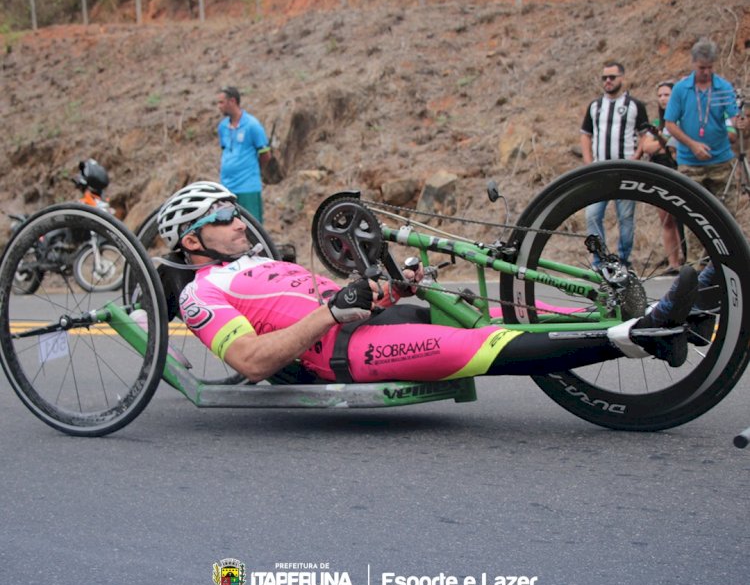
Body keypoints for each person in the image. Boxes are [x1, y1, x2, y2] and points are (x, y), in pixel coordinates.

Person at [154, 182, 699, 386]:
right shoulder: (199, 293)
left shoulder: (255, 264)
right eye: (220, 218)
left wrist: (393, 287)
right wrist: (333, 312)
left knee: (507, 314)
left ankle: (662, 325)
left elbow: (344, 297)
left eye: (233, 210)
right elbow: (249, 359)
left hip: (368, 321)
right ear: (192, 241)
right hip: (343, 350)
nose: (237, 221)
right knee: (480, 346)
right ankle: (640, 338)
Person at [663, 38, 740, 262]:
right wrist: (693, 144)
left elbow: (732, 118)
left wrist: (738, 125)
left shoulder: (723, 87)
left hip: (721, 161)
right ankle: (697, 267)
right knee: (694, 216)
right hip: (690, 162)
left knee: (725, 217)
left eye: (709, 68)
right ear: (693, 64)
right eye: (701, 68)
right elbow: (670, 123)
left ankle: (725, 265)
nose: (706, 72)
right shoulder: (681, 89)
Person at [580, 61, 650, 267]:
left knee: (626, 218)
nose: (608, 81)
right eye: (604, 78)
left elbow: (645, 134)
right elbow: (585, 134)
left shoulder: (635, 105)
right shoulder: (595, 106)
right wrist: (588, 161)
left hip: (626, 171)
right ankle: (599, 261)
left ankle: (623, 260)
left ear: (622, 78)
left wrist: (636, 157)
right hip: (600, 171)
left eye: (612, 77)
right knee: (592, 215)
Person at [636, 82, 684, 274]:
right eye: (660, 95)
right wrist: (663, 143)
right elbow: (647, 147)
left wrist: (662, 142)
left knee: (683, 217)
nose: (663, 98)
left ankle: (687, 257)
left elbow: (678, 145)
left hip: (678, 168)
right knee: (666, 218)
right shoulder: (656, 124)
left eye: (667, 94)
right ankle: (673, 262)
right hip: (659, 169)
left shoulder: (681, 120)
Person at [216, 86, 271, 223]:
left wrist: (251, 170)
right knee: (228, 225)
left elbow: (265, 155)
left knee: (251, 226)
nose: (219, 107)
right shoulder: (223, 127)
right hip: (227, 187)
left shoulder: (252, 125)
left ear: (232, 101)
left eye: (221, 102)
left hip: (247, 187)